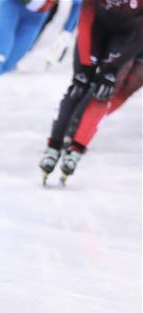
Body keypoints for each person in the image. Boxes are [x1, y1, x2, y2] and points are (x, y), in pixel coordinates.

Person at [39, 0, 142, 183]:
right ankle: (54, 145)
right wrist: (85, 67)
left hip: (127, 37)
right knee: (78, 85)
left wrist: (113, 69)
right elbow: (85, 19)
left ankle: (77, 147)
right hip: (96, 29)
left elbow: (139, 37)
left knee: (105, 92)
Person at [51, 50, 143, 181]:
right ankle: (78, 123)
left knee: (123, 89)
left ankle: (82, 122)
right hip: (129, 37)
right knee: (110, 86)